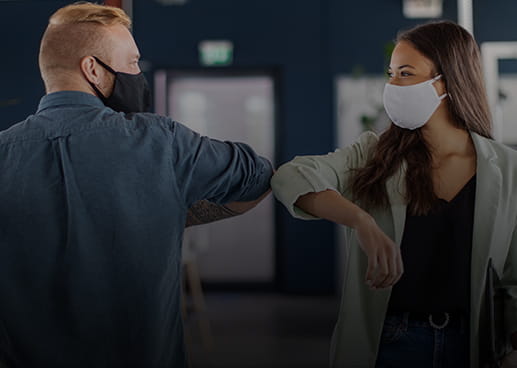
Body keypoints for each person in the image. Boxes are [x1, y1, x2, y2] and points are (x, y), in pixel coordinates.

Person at [0, 3, 272, 367]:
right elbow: (257, 178)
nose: (137, 74)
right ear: (92, 68)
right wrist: (179, 211)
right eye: (131, 63)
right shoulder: (161, 141)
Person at [271, 21, 517, 368]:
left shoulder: (507, 168)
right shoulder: (374, 154)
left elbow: (513, 277)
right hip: (389, 343)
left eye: (405, 74)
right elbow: (289, 176)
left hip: (474, 346)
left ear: (446, 81)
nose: (392, 85)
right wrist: (361, 221)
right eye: (390, 73)